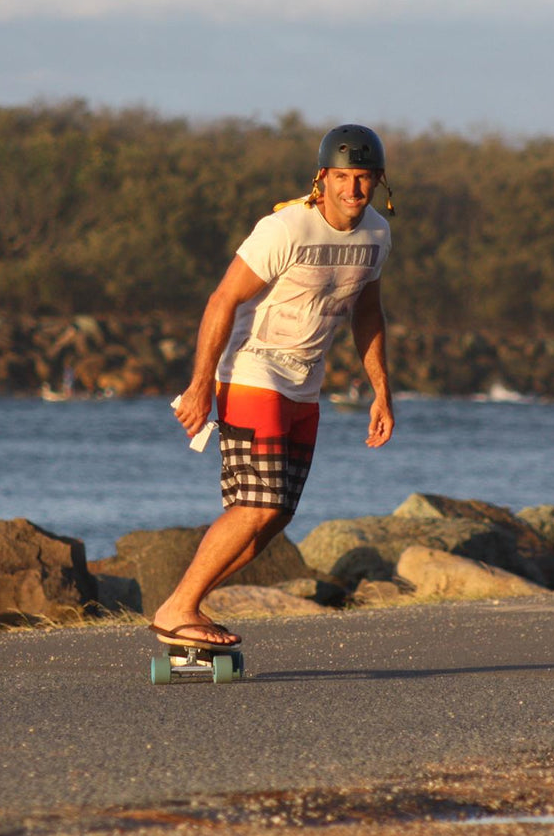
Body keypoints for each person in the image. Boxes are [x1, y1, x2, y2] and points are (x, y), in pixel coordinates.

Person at [152, 124, 396, 648]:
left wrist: (381, 391)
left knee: (276, 516)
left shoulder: (376, 234)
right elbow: (222, 299)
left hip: (305, 385)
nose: (353, 190)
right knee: (257, 505)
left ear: (378, 181)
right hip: (251, 371)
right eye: (342, 178)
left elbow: (368, 312)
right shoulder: (286, 229)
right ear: (323, 178)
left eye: (363, 179)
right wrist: (199, 386)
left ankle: (185, 605)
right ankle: (178, 607)